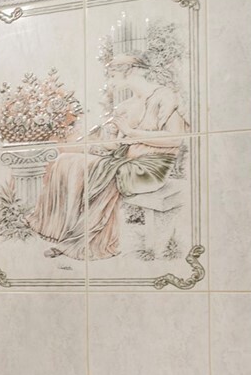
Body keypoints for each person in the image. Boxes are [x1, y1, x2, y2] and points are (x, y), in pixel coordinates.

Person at [27, 20, 188, 262]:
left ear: (130, 71)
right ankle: (59, 232)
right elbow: (118, 146)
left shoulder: (164, 97)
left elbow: (175, 140)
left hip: (151, 168)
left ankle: (84, 241)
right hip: (125, 160)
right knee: (66, 161)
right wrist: (101, 142)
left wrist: (131, 133)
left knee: (89, 168)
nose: (110, 81)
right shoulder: (128, 105)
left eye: (112, 74)